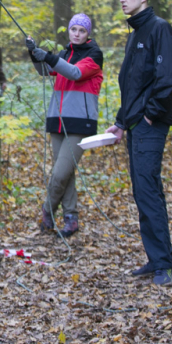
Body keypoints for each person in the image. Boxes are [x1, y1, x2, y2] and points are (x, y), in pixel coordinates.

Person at [105, 0, 172, 286]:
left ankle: (165, 264)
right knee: (142, 192)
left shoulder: (158, 28)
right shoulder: (135, 33)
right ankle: (156, 258)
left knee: (148, 191)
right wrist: (122, 122)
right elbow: (132, 85)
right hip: (134, 125)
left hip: (150, 125)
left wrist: (150, 115)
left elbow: (167, 79)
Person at [27, 13, 104, 238]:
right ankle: (71, 218)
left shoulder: (94, 54)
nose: (77, 34)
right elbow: (45, 71)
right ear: (69, 31)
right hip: (57, 120)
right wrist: (34, 53)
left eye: (82, 30)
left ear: (88, 33)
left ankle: (47, 210)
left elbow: (75, 72)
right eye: (74, 30)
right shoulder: (64, 54)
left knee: (60, 173)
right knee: (66, 174)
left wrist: (49, 57)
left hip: (80, 122)